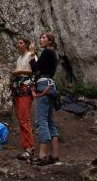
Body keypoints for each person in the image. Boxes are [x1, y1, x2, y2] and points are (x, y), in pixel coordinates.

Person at [29, 32, 60, 166]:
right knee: (49, 121)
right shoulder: (54, 54)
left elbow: (35, 68)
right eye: (40, 37)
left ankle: (42, 156)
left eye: (44, 38)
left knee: (41, 121)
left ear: (50, 41)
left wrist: (31, 54)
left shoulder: (47, 53)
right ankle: (55, 155)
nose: (41, 40)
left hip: (43, 85)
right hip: (50, 85)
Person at [11, 37, 36, 161]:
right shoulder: (19, 58)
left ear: (26, 45)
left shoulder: (31, 56)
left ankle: (29, 148)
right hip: (18, 89)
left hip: (26, 89)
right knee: (21, 119)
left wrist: (19, 71)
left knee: (24, 118)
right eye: (18, 43)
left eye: (21, 43)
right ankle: (26, 147)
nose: (18, 45)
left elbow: (34, 71)